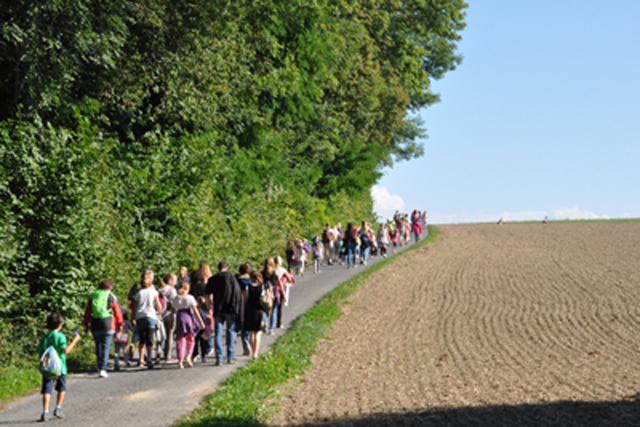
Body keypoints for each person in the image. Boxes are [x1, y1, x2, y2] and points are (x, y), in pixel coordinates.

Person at [37, 312, 81, 422]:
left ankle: (45, 412)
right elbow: (66, 350)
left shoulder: (45, 338)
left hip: (48, 368)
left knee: (47, 390)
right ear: (60, 325)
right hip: (60, 367)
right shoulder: (60, 336)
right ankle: (58, 408)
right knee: (62, 388)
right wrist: (75, 340)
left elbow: (40, 354)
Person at [82, 279, 124, 378]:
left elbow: (88, 312)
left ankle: (100, 365)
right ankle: (103, 369)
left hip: (95, 323)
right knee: (106, 346)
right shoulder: (112, 297)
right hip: (108, 323)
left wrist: (86, 324)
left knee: (99, 346)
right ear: (110, 287)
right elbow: (117, 312)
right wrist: (120, 324)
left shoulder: (93, 296)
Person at [206, 261, 242, 365]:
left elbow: (208, 294)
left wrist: (208, 308)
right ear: (226, 268)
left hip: (218, 309)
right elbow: (237, 293)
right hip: (230, 308)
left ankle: (219, 358)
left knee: (218, 333)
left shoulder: (213, 279)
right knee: (230, 332)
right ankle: (230, 356)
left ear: (218, 268)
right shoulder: (231, 278)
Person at [131, 269, 162, 369]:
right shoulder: (154, 292)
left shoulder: (139, 293)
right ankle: (149, 358)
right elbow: (158, 304)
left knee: (142, 339)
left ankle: (141, 360)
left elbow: (134, 307)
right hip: (151, 316)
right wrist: (159, 312)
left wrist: (133, 317)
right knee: (150, 339)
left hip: (140, 316)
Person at [171, 281, 205, 369]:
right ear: (188, 289)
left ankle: (180, 361)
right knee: (191, 338)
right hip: (189, 318)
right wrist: (201, 322)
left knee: (180, 340)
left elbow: (173, 310)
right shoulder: (190, 298)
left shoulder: (176, 298)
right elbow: (195, 310)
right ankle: (188, 356)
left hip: (180, 318)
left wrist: (171, 321)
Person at [244, 271, 269, 358]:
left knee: (251, 332)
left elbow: (245, 299)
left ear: (250, 278)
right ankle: (256, 353)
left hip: (249, 310)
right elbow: (266, 299)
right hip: (259, 310)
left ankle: (252, 349)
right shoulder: (262, 287)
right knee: (258, 333)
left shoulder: (247, 286)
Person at [157, 273, 178, 363]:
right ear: (170, 281)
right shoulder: (172, 290)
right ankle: (168, 356)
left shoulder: (158, 290)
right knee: (169, 336)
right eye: (175, 281)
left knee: (159, 336)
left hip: (159, 315)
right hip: (169, 314)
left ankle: (157, 355)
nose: (176, 283)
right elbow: (175, 303)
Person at [236, 263, 253, 357]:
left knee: (242, 326)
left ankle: (244, 342)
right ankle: (248, 341)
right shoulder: (250, 281)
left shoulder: (237, 281)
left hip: (239, 305)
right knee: (249, 325)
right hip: (249, 305)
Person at [262, 258, 281, 334]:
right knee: (273, 310)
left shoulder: (262, 273)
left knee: (265, 309)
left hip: (264, 293)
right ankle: (271, 329)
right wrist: (283, 293)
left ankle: (265, 321)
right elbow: (279, 283)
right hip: (274, 292)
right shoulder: (275, 272)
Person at [193, 296, 212, 363]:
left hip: (196, 328)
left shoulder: (196, 310)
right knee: (203, 343)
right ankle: (203, 356)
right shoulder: (205, 311)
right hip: (204, 328)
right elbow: (208, 319)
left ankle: (195, 354)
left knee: (195, 342)